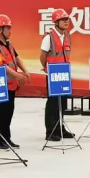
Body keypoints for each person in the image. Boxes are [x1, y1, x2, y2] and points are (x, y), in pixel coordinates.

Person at [0, 14, 28, 149]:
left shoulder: (9, 45)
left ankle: (6, 138)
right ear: (0, 30)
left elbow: (17, 58)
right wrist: (17, 75)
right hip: (0, 87)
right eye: (8, 28)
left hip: (11, 86)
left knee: (9, 112)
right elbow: (2, 66)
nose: (10, 31)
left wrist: (25, 70)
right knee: (0, 113)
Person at [39, 8, 75, 141]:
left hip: (64, 75)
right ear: (56, 22)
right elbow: (42, 56)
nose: (66, 22)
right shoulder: (49, 37)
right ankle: (50, 131)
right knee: (53, 104)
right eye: (63, 20)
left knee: (63, 103)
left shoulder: (67, 36)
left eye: (67, 19)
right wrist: (46, 68)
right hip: (53, 76)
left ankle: (60, 129)